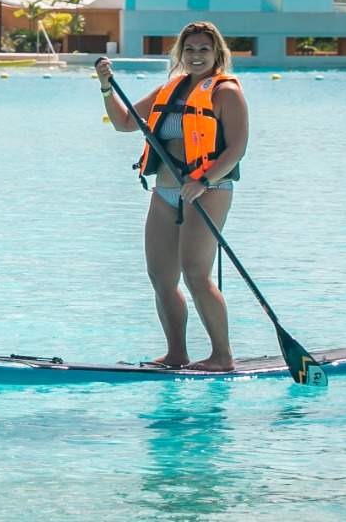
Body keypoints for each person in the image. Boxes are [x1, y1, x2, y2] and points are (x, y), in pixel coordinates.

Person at [96, 21, 248, 372]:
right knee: (161, 276)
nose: (196, 56)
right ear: (180, 54)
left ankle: (222, 356)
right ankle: (177, 354)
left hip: (208, 190)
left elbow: (237, 149)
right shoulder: (170, 89)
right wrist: (106, 87)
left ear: (217, 54)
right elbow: (124, 123)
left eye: (204, 50)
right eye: (190, 50)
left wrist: (204, 179)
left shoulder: (226, 93)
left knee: (195, 273)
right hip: (164, 192)